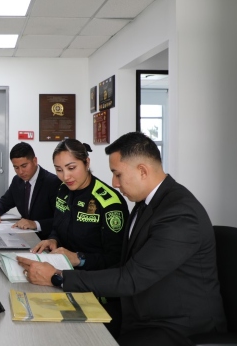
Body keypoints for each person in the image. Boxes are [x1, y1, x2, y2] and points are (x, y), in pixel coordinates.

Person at [18, 132, 226, 346]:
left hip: (175, 325)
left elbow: (130, 277)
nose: (114, 183)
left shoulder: (179, 214)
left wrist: (58, 277)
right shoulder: (147, 203)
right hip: (137, 310)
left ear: (142, 171)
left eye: (117, 174)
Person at [30, 138, 129, 337]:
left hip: (98, 295)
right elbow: (58, 226)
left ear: (87, 162)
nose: (65, 176)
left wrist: (79, 258)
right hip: (62, 281)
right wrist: (53, 239)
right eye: (59, 170)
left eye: (71, 168)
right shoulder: (63, 191)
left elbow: (117, 260)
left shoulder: (109, 202)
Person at [0, 142, 60, 239]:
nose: (20, 172)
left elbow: (61, 220)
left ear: (35, 161)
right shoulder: (17, 181)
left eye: (24, 166)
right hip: (24, 235)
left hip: (46, 238)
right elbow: (4, 202)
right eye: (16, 167)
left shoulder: (53, 182)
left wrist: (35, 224)